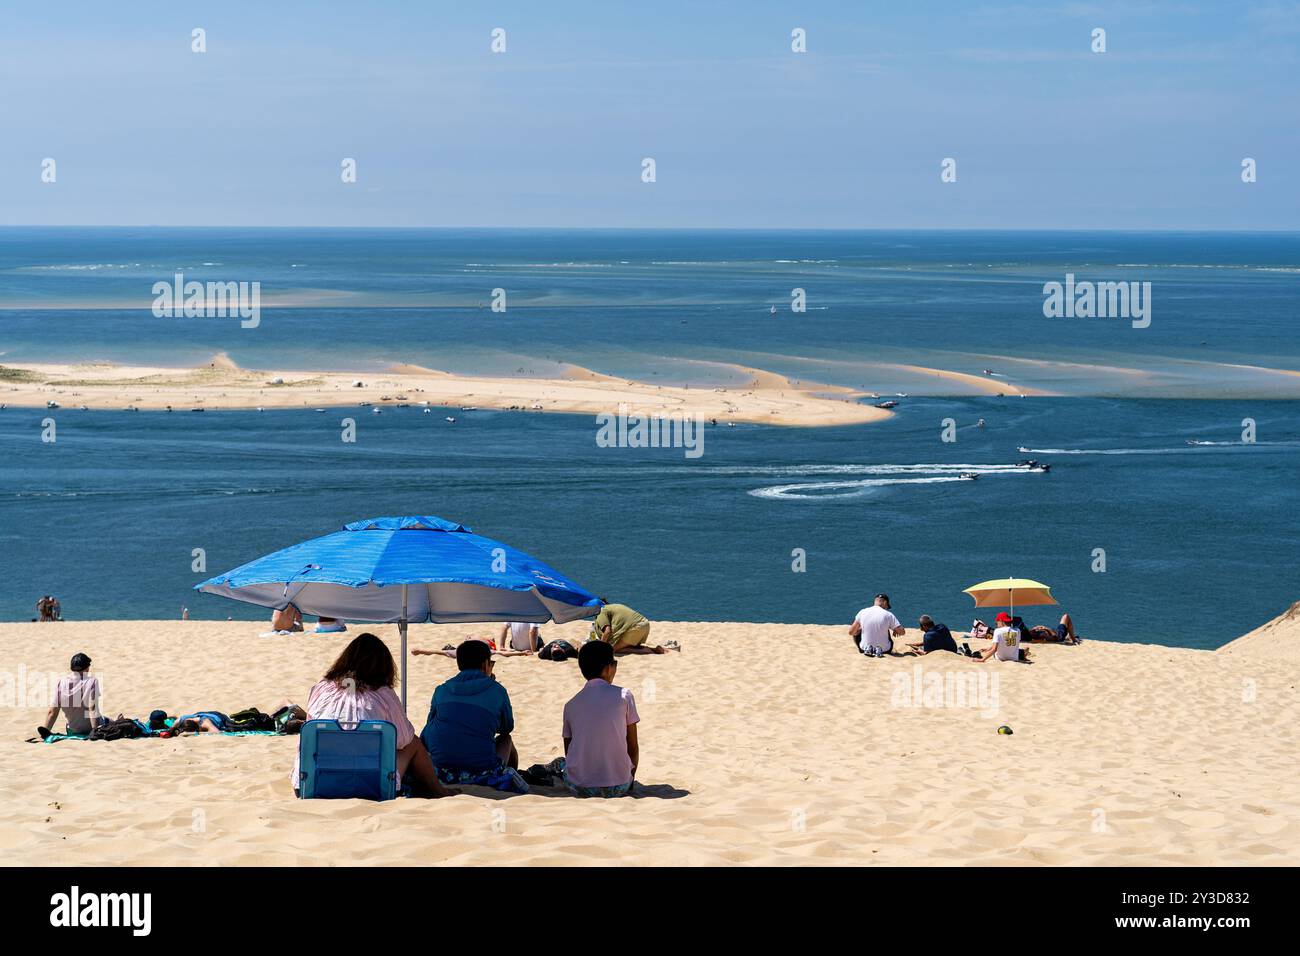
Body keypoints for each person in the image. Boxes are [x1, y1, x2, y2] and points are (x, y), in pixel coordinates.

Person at [291, 632, 457, 797]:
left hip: (314, 781)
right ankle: (438, 790)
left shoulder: (321, 688)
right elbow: (402, 740)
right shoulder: (383, 694)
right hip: (371, 783)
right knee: (413, 742)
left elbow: (310, 730)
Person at [420, 639, 528, 793]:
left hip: (442, 769)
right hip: (482, 770)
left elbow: (431, 722)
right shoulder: (497, 691)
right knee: (506, 739)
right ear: (485, 664)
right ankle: (502, 775)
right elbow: (507, 727)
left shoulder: (441, 690)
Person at [561, 640, 639, 798]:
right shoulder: (624, 696)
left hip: (580, 787)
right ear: (607, 668)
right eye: (614, 663)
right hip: (619, 785)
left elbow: (569, 751)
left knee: (559, 763)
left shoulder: (570, 705)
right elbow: (633, 746)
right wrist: (630, 779)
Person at [37, 652, 104, 739]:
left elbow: (52, 712)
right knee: (108, 720)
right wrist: (95, 731)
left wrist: (46, 731)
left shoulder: (61, 683)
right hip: (89, 730)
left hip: (72, 731)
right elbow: (92, 709)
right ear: (87, 668)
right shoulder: (92, 682)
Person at [592, 601, 680, 655]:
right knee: (626, 645)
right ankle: (661, 649)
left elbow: (607, 631)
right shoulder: (612, 607)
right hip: (644, 624)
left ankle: (653, 651)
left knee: (614, 650)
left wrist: (600, 649)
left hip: (636, 627)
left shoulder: (601, 611)